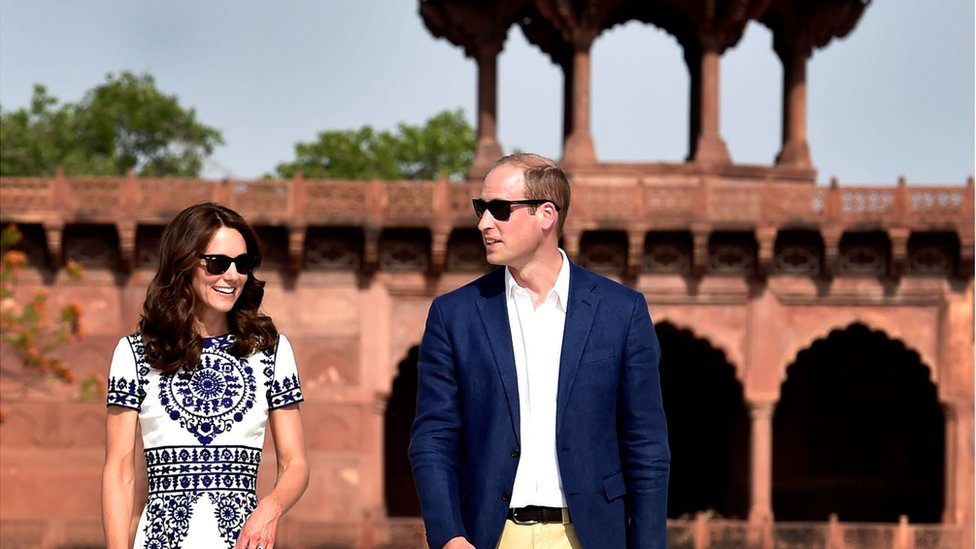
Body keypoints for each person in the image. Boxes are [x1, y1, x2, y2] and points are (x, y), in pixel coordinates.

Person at [409, 153, 670, 549]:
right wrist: (448, 535)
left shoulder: (620, 312)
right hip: (489, 536)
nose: (484, 223)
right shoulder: (454, 315)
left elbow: (646, 446)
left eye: (499, 209)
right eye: (481, 208)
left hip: (590, 535)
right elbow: (433, 437)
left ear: (547, 214)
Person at [102, 202, 309, 549]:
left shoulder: (271, 351)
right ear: (183, 264)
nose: (232, 276)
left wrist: (269, 509)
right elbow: (120, 470)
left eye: (243, 264)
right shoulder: (136, 354)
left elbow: (295, 462)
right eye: (217, 263)